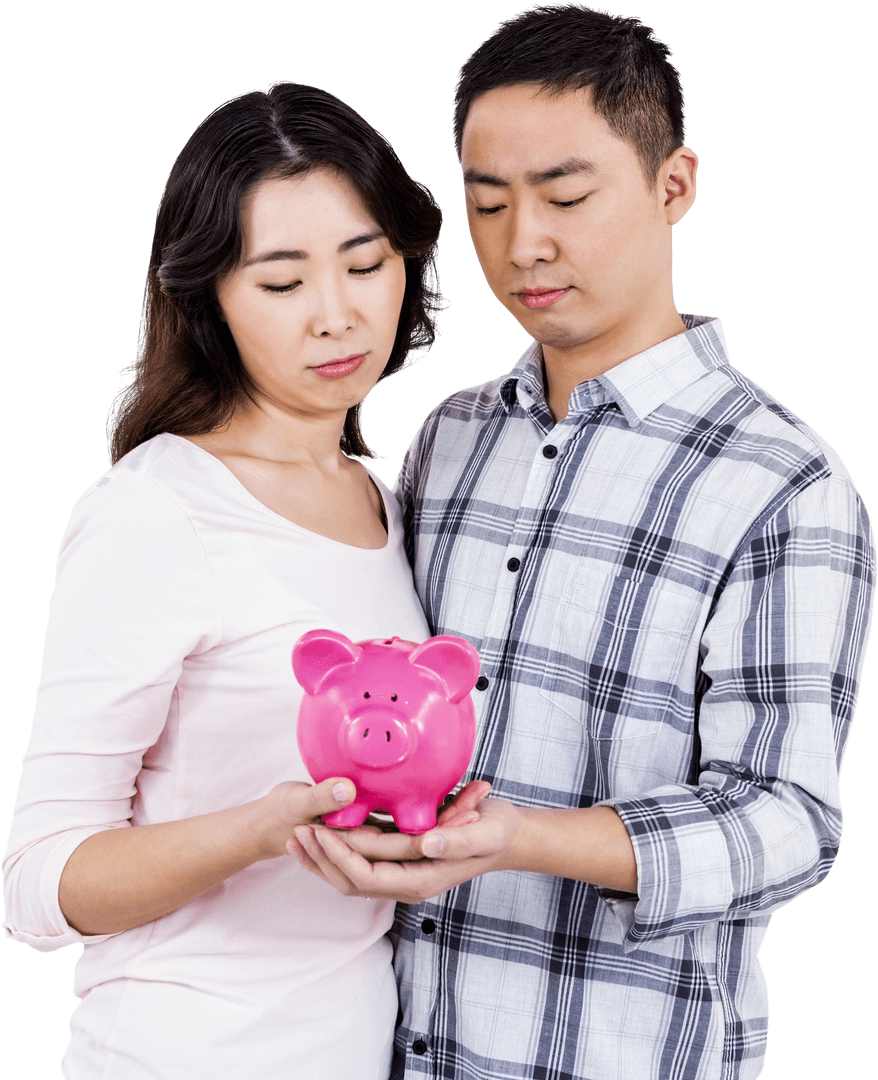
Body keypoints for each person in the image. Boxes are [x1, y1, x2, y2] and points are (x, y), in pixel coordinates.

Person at [288, 7, 878, 1080]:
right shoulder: (446, 441)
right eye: (485, 203)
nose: (523, 244)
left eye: (564, 196)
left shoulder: (783, 482)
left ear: (673, 186)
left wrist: (522, 838)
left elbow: (786, 821)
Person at [1, 80, 452, 1079]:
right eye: (282, 283)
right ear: (207, 297)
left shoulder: (385, 500)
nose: (337, 316)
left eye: (365, 263)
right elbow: (39, 886)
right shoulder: (157, 511)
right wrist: (259, 828)